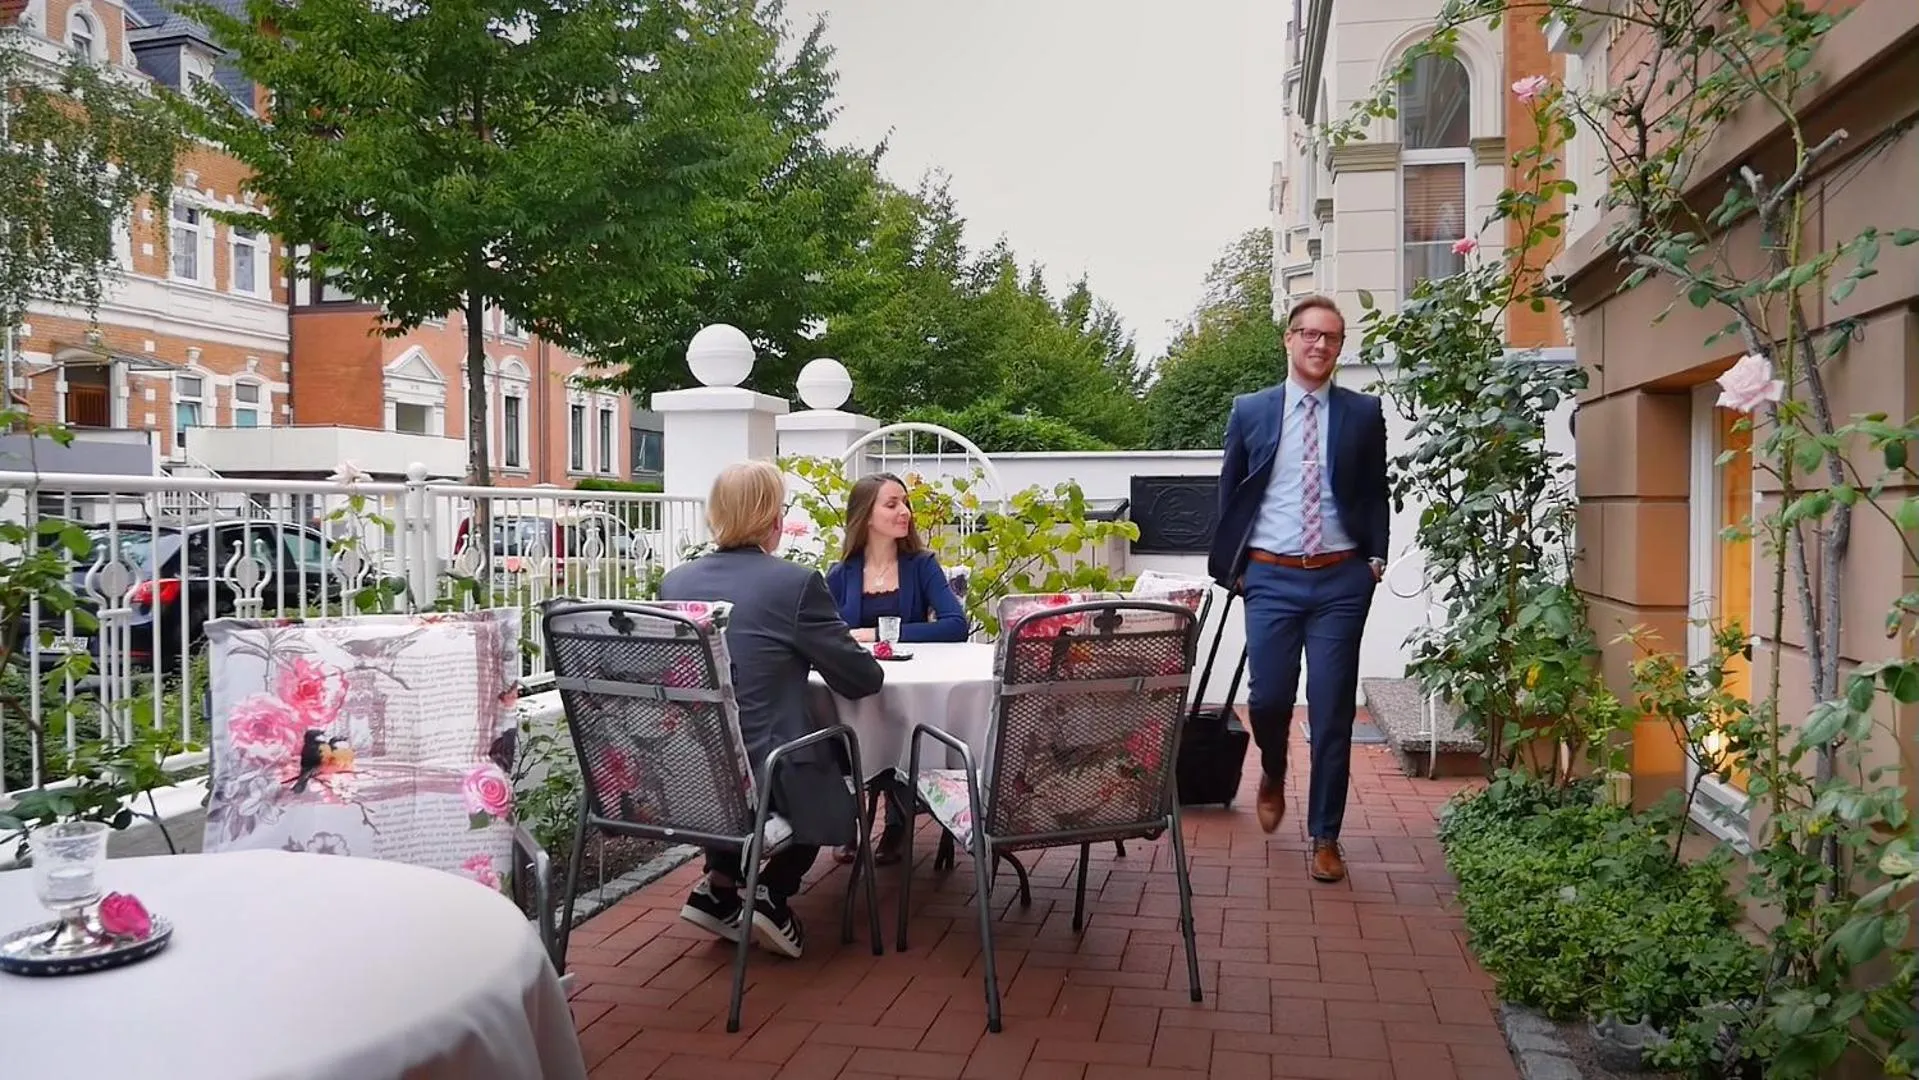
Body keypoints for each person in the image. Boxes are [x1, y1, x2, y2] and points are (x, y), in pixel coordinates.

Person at [659, 460, 884, 958]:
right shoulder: (794, 584)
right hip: (772, 772)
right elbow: (861, 680)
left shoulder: (675, 584)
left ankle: (718, 885)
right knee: (839, 755)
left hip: (692, 769)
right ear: (774, 519)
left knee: (730, 739)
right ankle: (772, 892)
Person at [1207, 294, 1389, 884]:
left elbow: (1374, 491)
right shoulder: (1251, 410)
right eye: (1309, 334)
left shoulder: (1363, 413)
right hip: (1270, 576)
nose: (1319, 345)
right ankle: (1273, 767)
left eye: (1331, 337)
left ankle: (1326, 836)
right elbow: (1230, 491)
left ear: (1340, 347)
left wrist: (1375, 558)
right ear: (1288, 340)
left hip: (1340, 579)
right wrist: (1234, 567)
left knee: (1333, 709)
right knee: (1268, 700)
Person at [823, 472, 968, 864]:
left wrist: (875, 633)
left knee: (900, 721)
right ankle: (849, 819)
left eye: (905, 503)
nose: (904, 511)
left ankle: (897, 820)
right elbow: (826, 633)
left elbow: (956, 625)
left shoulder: (922, 565)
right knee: (840, 722)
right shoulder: (841, 574)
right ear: (866, 516)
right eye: (892, 504)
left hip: (910, 681)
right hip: (859, 682)